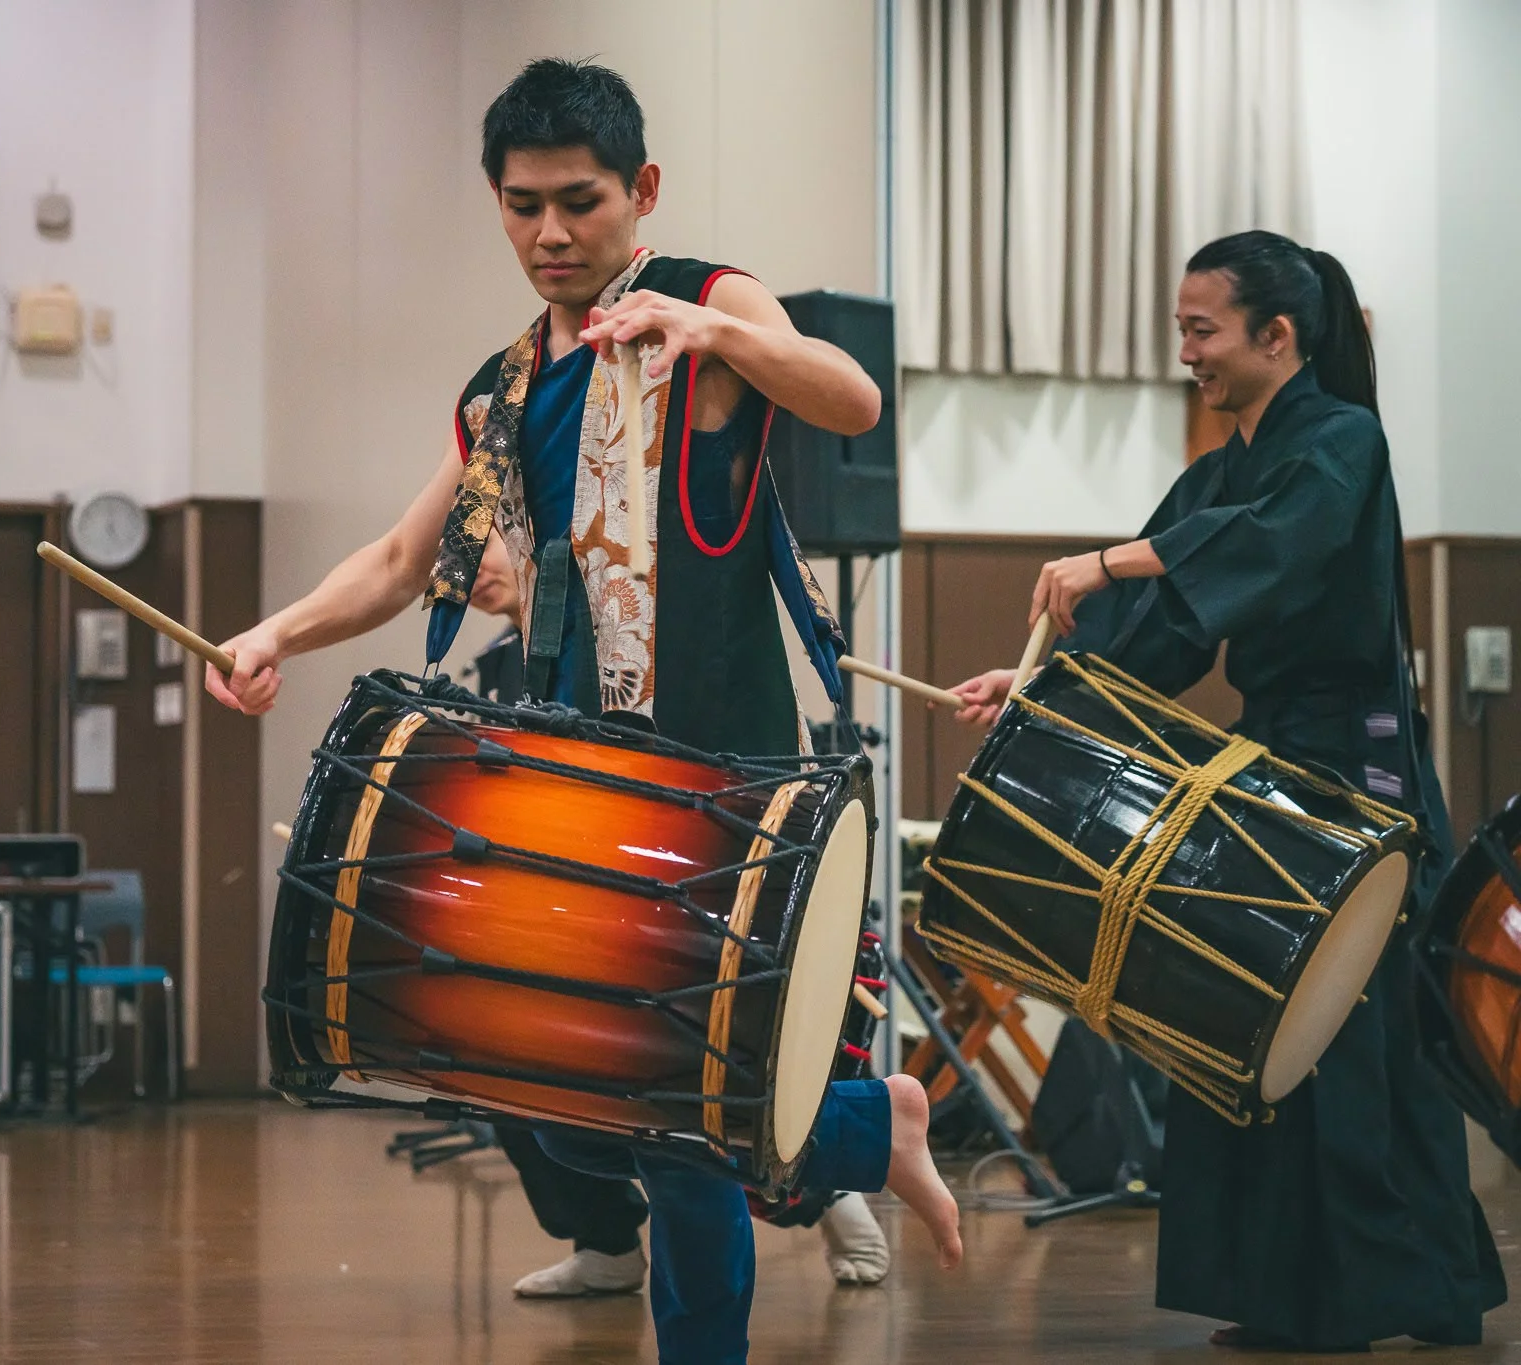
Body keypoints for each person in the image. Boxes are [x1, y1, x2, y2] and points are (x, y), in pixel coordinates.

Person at [208, 58, 959, 1363]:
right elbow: (400, 560)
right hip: (573, 781)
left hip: (717, 777)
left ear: (641, 191)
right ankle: (864, 1129)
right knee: (573, 1093)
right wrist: (272, 629)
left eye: (579, 201)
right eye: (520, 206)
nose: (549, 234)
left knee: (674, 1120)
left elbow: (850, 396)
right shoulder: (501, 388)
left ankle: (799, 1214)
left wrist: (719, 336)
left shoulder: (708, 306)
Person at [950, 230, 1508, 1351]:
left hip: (1359, 767)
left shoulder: (1341, 441)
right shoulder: (1220, 469)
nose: (1186, 353)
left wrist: (1107, 558)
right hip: (1274, 759)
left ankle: (1394, 1293)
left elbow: (1270, 545)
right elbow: (1158, 624)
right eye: (1180, 330)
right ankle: (1286, 1294)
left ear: (1276, 335)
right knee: (1253, 1023)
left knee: (1350, 1033)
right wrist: (1037, 680)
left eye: (1200, 330)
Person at [467, 540, 895, 1298]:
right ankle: (605, 1240)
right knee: (500, 1052)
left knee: (700, 1089)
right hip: (573, 890)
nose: (475, 569)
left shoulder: (625, 628)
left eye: (488, 545)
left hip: (672, 887)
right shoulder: (505, 664)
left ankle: (829, 1179)